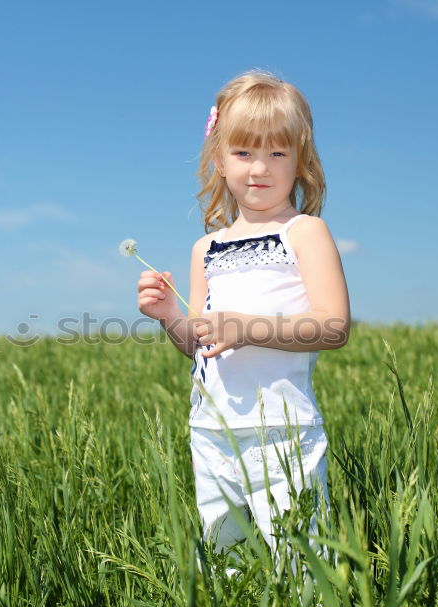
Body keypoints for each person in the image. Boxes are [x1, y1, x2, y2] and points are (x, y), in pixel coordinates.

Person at [136, 70, 350, 558]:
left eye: (277, 153)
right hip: (211, 431)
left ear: (301, 161)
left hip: (282, 429)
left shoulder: (303, 232)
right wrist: (171, 316)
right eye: (244, 153)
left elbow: (333, 326)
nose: (260, 168)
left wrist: (247, 328)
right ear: (219, 159)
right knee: (226, 556)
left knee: (301, 558)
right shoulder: (205, 248)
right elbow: (198, 343)